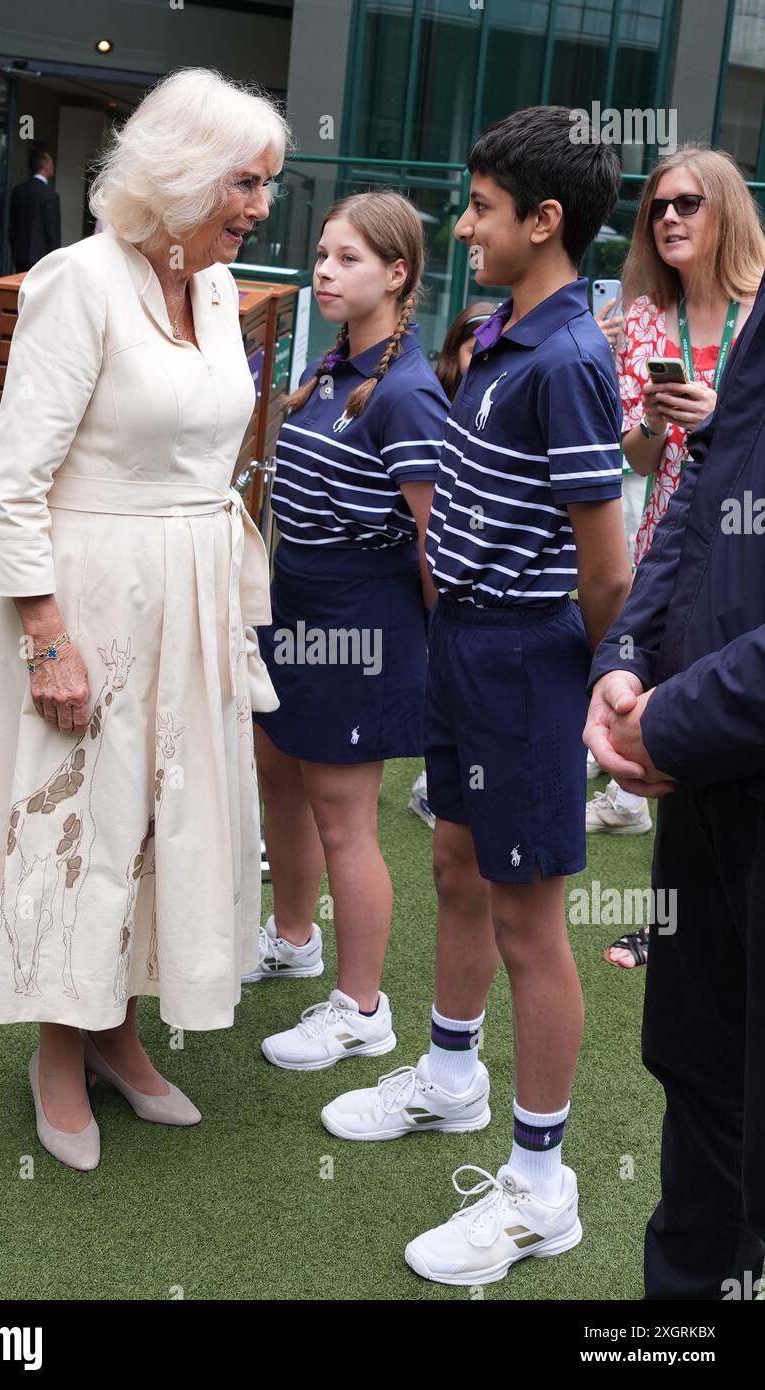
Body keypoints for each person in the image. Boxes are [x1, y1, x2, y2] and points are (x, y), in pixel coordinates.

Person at [0, 68, 291, 1171]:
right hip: (86, 600)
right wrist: (46, 637)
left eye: (267, 184)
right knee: (74, 818)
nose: (260, 207)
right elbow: (12, 482)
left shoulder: (222, 291)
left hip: (191, 597)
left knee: (155, 823)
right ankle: (54, 1048)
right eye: (245, 182)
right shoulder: (75, 282)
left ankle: (119, 1032)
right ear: (178, 174)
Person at [324, 105, 631, 1288]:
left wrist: (594, 700)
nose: (462, 228)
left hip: (524, 663)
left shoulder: (569, 359)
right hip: (464, 647)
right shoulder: (504, 333)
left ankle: (542, 1187)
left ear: (543, 221)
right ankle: (449, 1079)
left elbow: (604, 567)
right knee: (454, 862)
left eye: (483, 209)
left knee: (528, 921)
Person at [584, 262, 765, 1300]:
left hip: (717, 748)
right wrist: (629, 656)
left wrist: (676, 720)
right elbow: (698, 486)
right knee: (697, 1076)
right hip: (705, 785)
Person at [244, 193, 449, 1072]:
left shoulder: (408, 392)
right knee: (278, 778)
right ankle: (295, 938)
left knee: (344, 817)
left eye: (349, 259)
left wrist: (438, 656)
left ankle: (362, 1009)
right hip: (293, 604)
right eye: (322, 255)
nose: (324, 270)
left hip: (359, 621)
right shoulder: (332, 367)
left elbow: (436, 546)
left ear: (398, 275)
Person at [586, 147, 763, 969]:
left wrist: (722, 413)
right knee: (664, 713)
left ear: (725, 210)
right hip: (670, 531)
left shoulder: (757, 311)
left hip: (746, 549)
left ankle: (689, 925)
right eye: (657, 207)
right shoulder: (645, 318)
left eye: (688, 204)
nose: (668, 219)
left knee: (721, 716)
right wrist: (661, 423)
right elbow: (638, 457)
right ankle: (669, 919)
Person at [408, 300, 498, 831]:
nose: (484, 357)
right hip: (434, 572)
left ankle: (446, 783)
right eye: (473, 346)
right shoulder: (435, 406)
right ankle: (434, 781)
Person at [9, 149, 62, 273]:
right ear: (46, 167)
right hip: (41, 257)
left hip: (19, 254)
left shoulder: (18, 190)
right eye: (52, 163)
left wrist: (14, 249)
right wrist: (55, 257)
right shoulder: (50, 195)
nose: (53, 167)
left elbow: (12, 225)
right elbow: (52, 230)